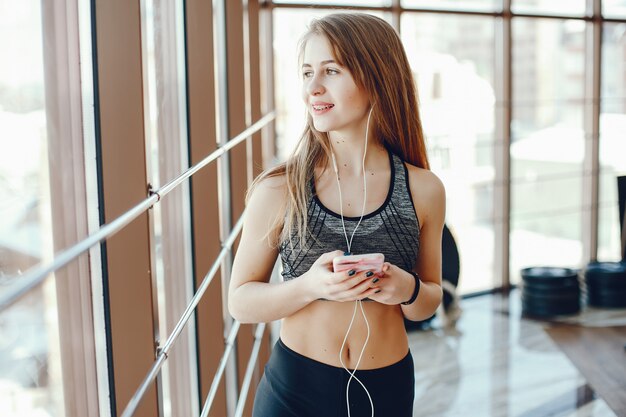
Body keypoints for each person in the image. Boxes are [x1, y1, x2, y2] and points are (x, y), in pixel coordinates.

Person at [228, 12, 445, 417]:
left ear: (377, 77)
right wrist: (311, 286)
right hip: (295, 391)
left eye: (331, 70)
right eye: (307, 72)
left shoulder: (424, 189)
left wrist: (406, 289)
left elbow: (429, 299)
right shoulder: (279, 189)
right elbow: (240, 302)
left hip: (387, 389)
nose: (313, 87)